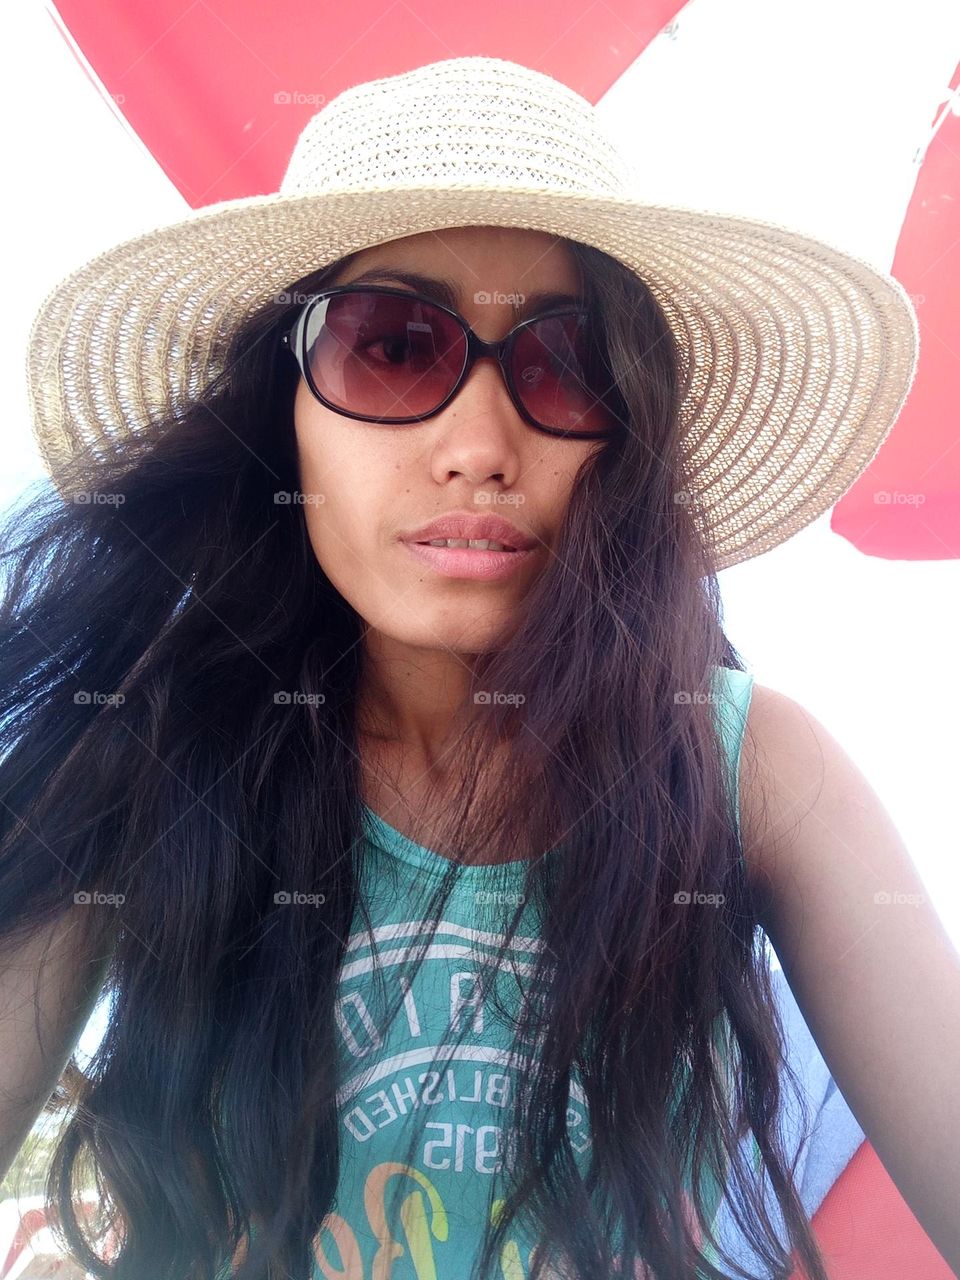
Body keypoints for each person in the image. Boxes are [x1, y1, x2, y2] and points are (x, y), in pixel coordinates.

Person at [2, 54, 955, 1280]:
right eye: (392, 346)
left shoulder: (747, 765)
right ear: (280, 409)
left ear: (626, 431)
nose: (477, 446)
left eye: (563, 365)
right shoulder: (152, 752)